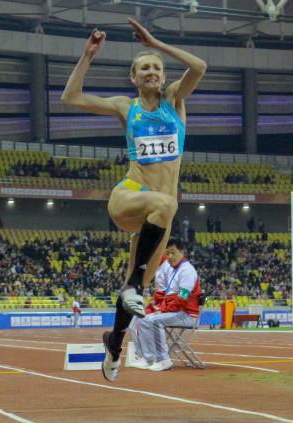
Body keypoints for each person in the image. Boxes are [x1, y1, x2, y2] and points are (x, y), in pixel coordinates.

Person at [61, 18, 206, 382]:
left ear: (164, 75)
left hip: (159, 216)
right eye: (144, 68)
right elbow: (71, 97)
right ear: (134, 77)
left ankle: (114, 342)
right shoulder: (126, 107)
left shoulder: (175, 99)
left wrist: (156, 43)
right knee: (168, 204)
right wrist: (87, 56)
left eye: (157, 67)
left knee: (137, 285)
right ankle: (131, 287)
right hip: (130, 195)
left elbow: (199, 67)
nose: (152, 72)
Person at [130, 238, 201, 371]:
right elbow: (170, 296)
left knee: (154, 320)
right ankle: (149, 358)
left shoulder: (187, 271)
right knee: (142, 320)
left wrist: (163, 310)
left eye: (173, 252)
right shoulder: (175, 270)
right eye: (167, 253)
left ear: (182, 252)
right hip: (178, 312)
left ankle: (163, 359)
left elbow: (182, 300)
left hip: (187, 314)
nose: (170, 257)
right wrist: (162, 308)